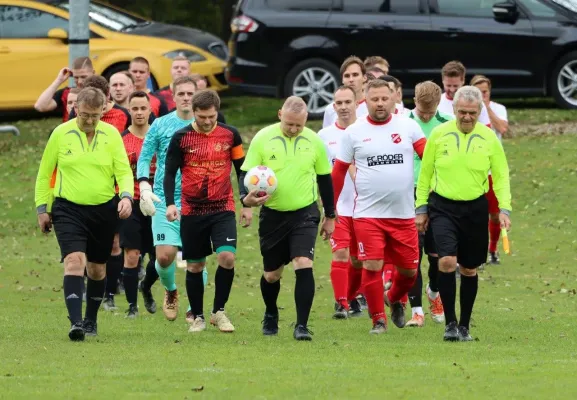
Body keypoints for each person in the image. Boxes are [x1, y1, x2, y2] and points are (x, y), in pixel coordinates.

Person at [34, 87, 134, 341]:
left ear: (103, 111)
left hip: (104, 210)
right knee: (74, 261)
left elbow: (123, 171)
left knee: (97, 269)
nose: (89, 120)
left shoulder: (112, 135)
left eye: (95, 115)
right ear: (76, 108)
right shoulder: (60, 133)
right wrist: (41, 208)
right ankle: (75, 322)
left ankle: (91, 319)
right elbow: (45, 174)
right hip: (68, 208)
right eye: (85, 114)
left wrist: (125, 196)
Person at [415, 86, 512, 342]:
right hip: (443, 207)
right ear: (454, 110)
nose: (466, 117)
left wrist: (504, 208)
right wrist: (421, 208)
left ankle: (465, 325)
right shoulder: (439, 134)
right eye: (462, 112)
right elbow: (424, 174)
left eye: (472, 112)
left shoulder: (488, 137)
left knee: (469, 269)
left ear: (480, 111)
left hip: (475, 209)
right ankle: (450, 323)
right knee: (446, 261)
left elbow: (501, 175)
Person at [331, 79, 427, 334]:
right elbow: (339, 172)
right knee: (371, 265)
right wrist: (330, 210)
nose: (380, 103)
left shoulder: (409, 126)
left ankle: (393, 298)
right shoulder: (354, 131)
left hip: (404, 214)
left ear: (394, 98)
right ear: (366, 100)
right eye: (375, 99)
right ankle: (378, 320)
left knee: (409, 271)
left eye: (385, 98)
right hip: (367, 215)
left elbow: (428, 159)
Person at [240, 96, 335, 341]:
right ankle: (271, 313)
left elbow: (325, 179)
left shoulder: (314, 141)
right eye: (289, 124)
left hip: (305, 213)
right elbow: (246, 174)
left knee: (303, 263)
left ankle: (301, 325)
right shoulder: (262, 138)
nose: (293, 129)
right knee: (272, 274)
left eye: (298, 126)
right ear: (280, 114)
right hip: (273, 215)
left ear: (305, 121)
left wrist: (330, 216)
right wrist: (245, 199)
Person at [164, 89, 251, 333]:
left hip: (223, 207)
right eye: (202, 117)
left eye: (211, 116)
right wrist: (171, 203)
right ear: (194, 112)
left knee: (227, 257)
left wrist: (245, 203)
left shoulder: (230, 135)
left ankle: (219, 312)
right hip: (192, 210)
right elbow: (170, 172)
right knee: (195, 265)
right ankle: (199, 317)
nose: (207, 121)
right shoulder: (181, 137)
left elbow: (241, 170)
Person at [137, 75, 207, 322]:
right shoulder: (161, 125)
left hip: (197, 201)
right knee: (164, 256)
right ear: (173, 96)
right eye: (182, 94)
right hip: (163, 199)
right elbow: (145, 156)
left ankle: (194, 304)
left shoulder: (207, 125)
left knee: (196, 258)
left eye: (191, 94)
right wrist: (144, 184)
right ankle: (170, 291)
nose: (186, 98)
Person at [404, 81, 453, 327]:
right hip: (408, 194)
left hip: (437, 196)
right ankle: (416, 311)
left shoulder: (447, 124)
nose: (425, 116)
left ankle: (434, 293)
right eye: (422, 111)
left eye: (429, 112)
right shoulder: (403, 123)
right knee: (413, 255)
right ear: (414, 101)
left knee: (437, 256)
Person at [319, 86, 363, 319]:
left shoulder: (367, 131)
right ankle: (341, 303)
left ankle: (352, 295)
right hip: (339, 208)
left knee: (357, 260)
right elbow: (320, 174)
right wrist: (327, 207)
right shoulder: (324, 137)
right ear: (334, 106)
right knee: (341, 254)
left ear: (356, 103)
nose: (344, 107)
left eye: (348, 102)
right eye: (339, 103)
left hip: (366, 208)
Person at [119, 91, 157, 317]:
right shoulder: (122, 140)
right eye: (135, 108)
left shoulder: (159, 137)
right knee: (132, 255)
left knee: (160, 257)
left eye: (143, 108)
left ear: (150, 110)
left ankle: (147, 287)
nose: (140, 112)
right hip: (132, 202)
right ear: (129, 110)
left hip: (156, 202)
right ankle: (132, 306)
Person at [471, 74, 509, 265]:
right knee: (475, 215)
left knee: (494, 214)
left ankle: (493, 249)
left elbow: (502, 128)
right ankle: (476, 252)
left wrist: (486, 108)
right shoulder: (468, 112)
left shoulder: (498, 109)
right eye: (478, 93)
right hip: (475, 172)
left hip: (493, 172)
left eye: (485, 92)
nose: (482, 95)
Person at [34, 56, 95, 121]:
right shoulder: (66, 93)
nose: (79, 81)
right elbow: (40, 106)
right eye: (76, 77)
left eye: (83, 77)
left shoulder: (102, 92)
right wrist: (59, 80)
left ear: (93, 73)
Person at [437, 61, 491, 126]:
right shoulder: (435, 102)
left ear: (463, 81)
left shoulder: (476, 102)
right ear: (443, 81)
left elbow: (487, 129)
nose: (452, 89)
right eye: (448, 85)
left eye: (455, 86)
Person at [322, 56, 368, 128]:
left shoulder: (371, 106)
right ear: (342, 80)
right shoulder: (330, 109)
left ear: (364, 77)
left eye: (355, 75)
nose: (351, 79)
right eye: (347, 76)